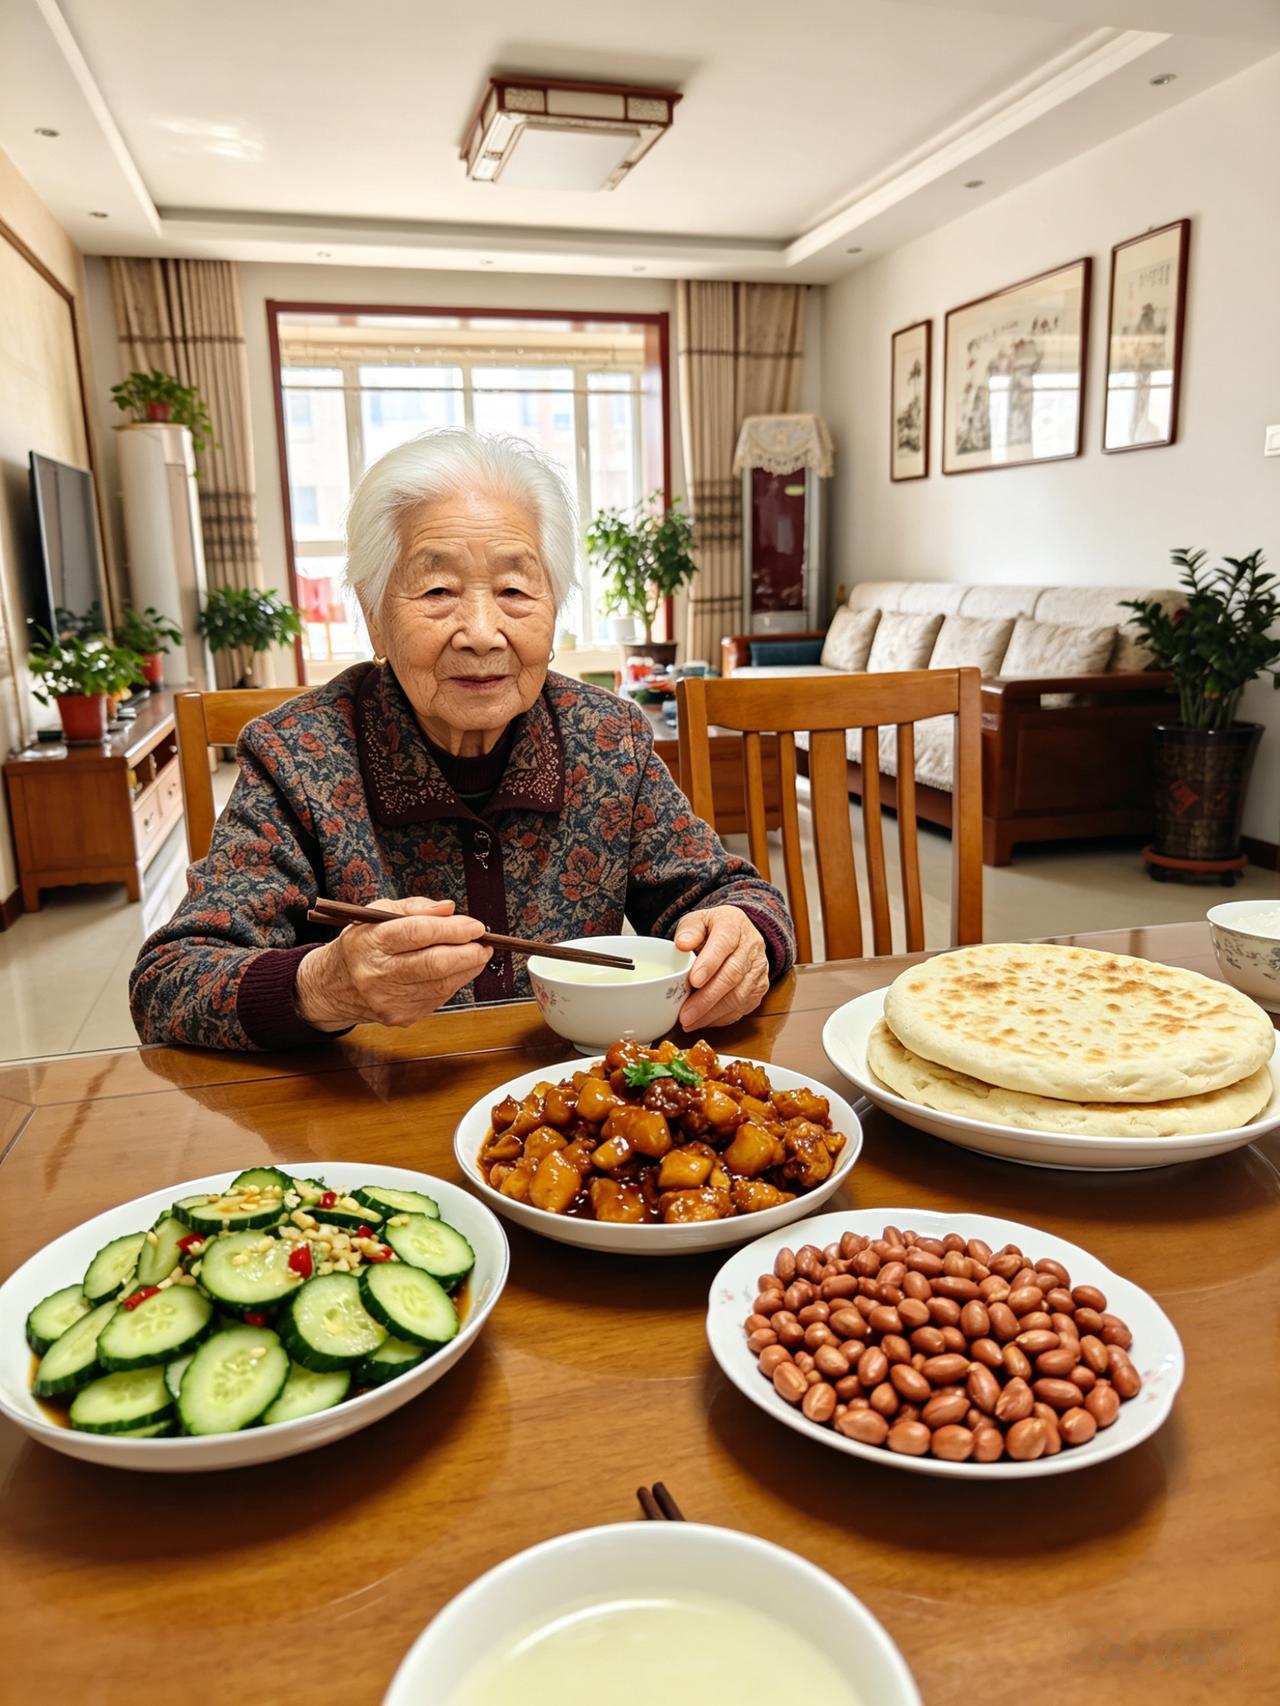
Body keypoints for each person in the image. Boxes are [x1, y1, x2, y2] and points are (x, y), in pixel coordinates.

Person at [130, 431, 796, 1051]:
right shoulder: (296, 757)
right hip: (369, 1122)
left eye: (513, 589)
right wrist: (324, 984)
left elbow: (734, 895)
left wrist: (744, 938)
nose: (482, 631)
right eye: (439, 589)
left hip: (568, 1114)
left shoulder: (608, 736)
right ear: (374, 619)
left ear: (553, 608)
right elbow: (168, 982)